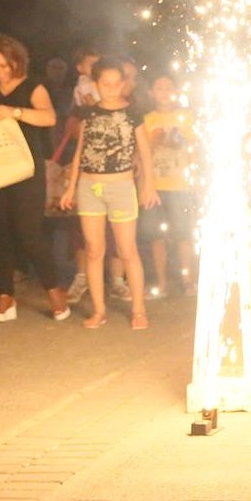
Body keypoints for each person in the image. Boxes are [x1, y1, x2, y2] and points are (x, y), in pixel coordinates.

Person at [0, 35, 69, 323]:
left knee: (29, 232)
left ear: (16, 62)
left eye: (3, 66)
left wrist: (15, 112)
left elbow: (49, 118)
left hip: (25, 168)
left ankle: (54, 289)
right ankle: (5, 296)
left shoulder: (33, 86)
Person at [59, 58, 158, 329]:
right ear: (96, 84)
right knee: (93, 250)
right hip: (89, 187)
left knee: (127, 250)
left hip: (121, 187)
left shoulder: (133, 113)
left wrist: (148, 185)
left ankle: (138, 310)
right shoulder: (88, 114)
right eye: (106, 84)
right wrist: (70, 187)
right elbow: (80, 152)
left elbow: (145, 153)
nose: (112, 89)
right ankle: (99, 310)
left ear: (123, 84)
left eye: (116, 84)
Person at [140, 74, 197, 297]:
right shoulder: (146, 120)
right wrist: (144, 184)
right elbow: (141, 153)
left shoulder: (186, 118)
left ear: (177, 92)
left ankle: (187, 279)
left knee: (183, 233)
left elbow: (193, 149)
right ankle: (161, 283)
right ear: (151, 93)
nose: (164, 92)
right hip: (154, 186)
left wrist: (196, 179)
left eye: (169, 88)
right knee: (156, 236)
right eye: (159, 88)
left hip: (180, 185)